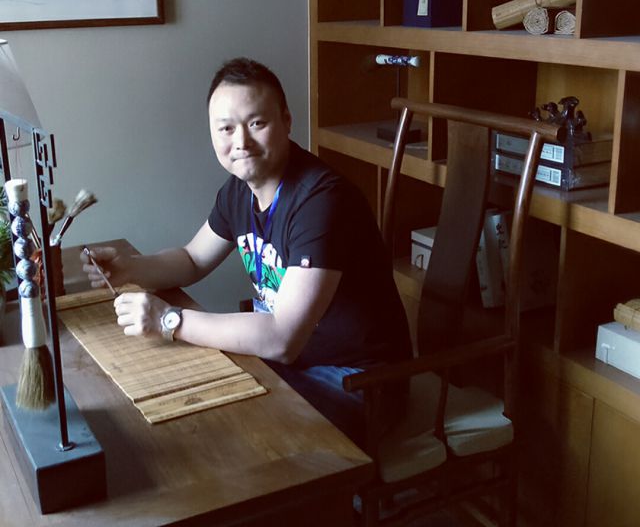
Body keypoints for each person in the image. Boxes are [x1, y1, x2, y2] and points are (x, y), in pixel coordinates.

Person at [83, 57, 411, 447]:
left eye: (257, 123)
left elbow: (282, 338)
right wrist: (130, 269)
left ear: (286, 121)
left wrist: (169, 320)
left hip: (359, 381)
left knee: (226, 434)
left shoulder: (322, 201)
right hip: (292, 364)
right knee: (184, 400)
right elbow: (192, 259)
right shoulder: (239, 190)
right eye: (226, 128)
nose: (241, 142)